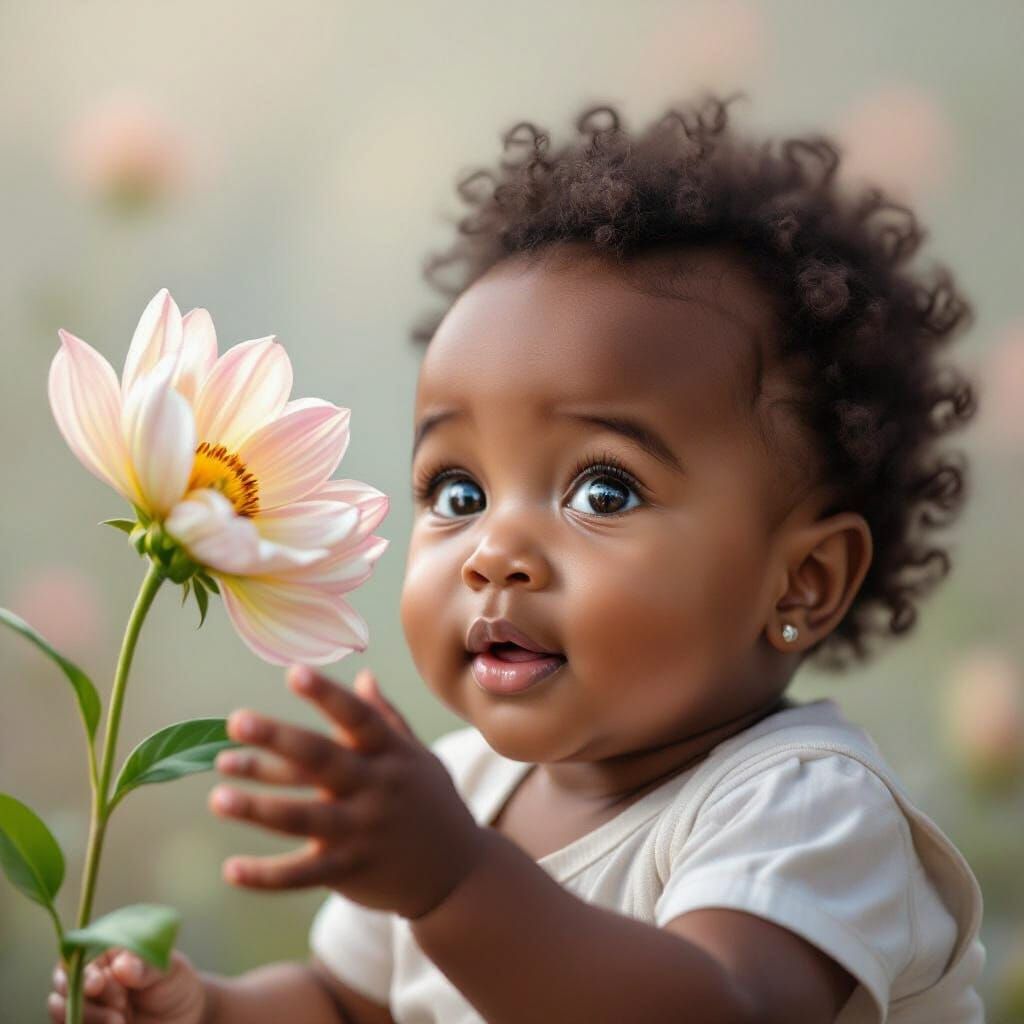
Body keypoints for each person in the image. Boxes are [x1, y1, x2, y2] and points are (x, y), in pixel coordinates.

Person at [49, 92, 987, 1024]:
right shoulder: (458, 793)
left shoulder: (804, 807)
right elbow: (344, 1004)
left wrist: (456, 882)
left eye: (602, 492)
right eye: (458, 493)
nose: (495, 550)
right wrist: (205, 1011)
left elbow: (721, 1006)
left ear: (803, 581)